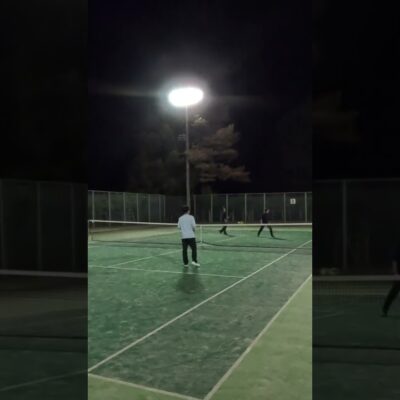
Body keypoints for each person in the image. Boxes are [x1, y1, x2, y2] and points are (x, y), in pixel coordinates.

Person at [382, 243, 400, 317]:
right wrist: (395, 272)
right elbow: (394, 260)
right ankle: (385, 309)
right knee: (393, 292)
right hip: (399, 275)